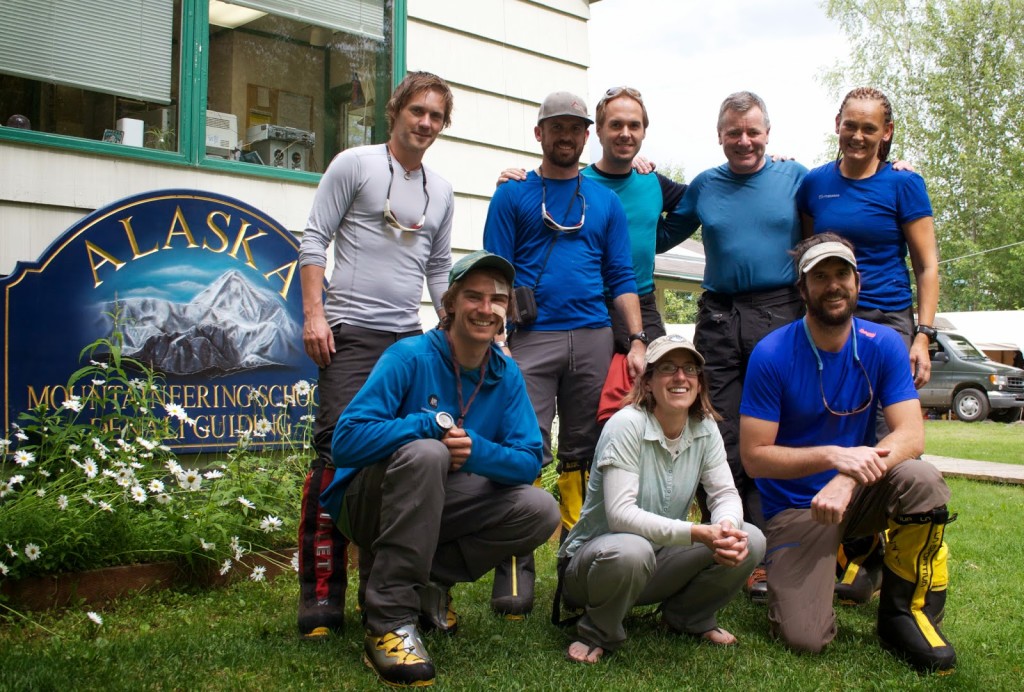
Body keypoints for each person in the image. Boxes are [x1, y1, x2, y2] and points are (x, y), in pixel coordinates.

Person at [319, 250, 560, 687]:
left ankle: (420, 584)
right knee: (427, 453)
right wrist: (424, 426)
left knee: (540, 509)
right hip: (367, 504)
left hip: (439, 505)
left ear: (507, 310)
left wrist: (476, 452)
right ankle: (388, 623)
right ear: (449, 303)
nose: (485, 309)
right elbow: (346, 441)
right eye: (473, 296)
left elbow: (528, 460)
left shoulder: (506, 375)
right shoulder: (408, 356)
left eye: (497, 299)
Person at [739, 234, 956, 674]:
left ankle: (902, 615)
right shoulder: (772, 353)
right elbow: (755, 457)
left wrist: (848, 476)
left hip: (856, 495)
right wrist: (833, 457)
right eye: (820, 277)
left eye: (842, 274)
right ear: (803, 289)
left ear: (858, 282)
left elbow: (911, 435)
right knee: (804, 638)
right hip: (797, 510)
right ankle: (852, 558)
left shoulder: (883, 343)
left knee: (922, 481)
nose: (833, 285)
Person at [296, 71, 455, 639]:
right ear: (395, 111)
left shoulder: (441, 190)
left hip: (408, 341)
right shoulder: (354, 164)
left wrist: (451, 326)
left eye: (437, 116)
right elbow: (314, 239)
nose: (426, 123)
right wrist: (316, 315)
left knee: (404, 458)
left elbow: (439, 271)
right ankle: (321, 598)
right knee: (337, 453)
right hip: (350, 334)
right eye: (418, 111)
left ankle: (389, 594)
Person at [483, 91, 644, 617]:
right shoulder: (512, 195)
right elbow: (495, 271)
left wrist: (637, 340)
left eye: (576, 128)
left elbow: (620, 276)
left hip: (595, 335)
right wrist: (498, 339)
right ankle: (514, 566)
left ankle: (576, 562)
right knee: (525, 445)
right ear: (540, 134)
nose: (567, 137)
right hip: (531, 338)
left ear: (586, 136)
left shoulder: (604, 202)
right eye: (557, 127)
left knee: (585, 450)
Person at [657, 91, 807, 600]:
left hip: (779, 314)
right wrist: (638, 174)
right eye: (733, 132)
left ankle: (768, 549)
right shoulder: (705, 185)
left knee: (773, 430)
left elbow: (841, 201)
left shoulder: (795, 177)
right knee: (716, 429)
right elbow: (656, 236)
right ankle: (722, 539)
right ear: (719, 135)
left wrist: (893, 160)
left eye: (753, 132)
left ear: (768, 133)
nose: (744, 141)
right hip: (719, 317)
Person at [797, 86, 940, 602]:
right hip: (833, 319)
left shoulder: (903, 184)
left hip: (888, 321)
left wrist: (922, 335)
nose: (858, 135)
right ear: (837, 123)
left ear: (887, 132)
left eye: (869, 127)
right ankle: (859, 554)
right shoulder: (815, 184)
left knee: (887, 436)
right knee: (834, 422)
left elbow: (926, 264)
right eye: (850, 125)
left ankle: (888, 559)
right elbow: (812, 250)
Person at [558, 334, 765, 663]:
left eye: (690, 369)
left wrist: (725, 528)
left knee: (749, 538)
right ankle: (598, 628)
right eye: (668, 368)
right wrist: (697, 532)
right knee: (631, 548)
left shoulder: (705, 427)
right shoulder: (626, 424)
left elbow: (725, 493)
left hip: (656, 561)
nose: (680, 377)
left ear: (700, 382)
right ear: (649, 381)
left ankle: (688, 618)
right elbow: (621, 516)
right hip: (593, 568)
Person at [498, 86, 688, 350]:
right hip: (588, 308)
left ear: (644, 131)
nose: (625, 134)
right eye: (615, 125)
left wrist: (659, 239)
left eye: (634, 126)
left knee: (651, 384)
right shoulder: (579, 184)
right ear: (597, 132)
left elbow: (699, 203)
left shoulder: (651, 182)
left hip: (640, 303)